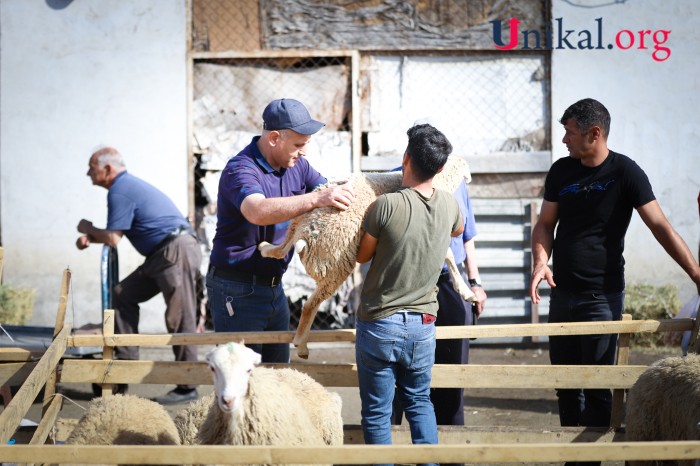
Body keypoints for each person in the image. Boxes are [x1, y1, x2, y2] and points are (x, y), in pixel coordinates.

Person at [529, 98, 700, 466]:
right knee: (565, 385)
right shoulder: (561, 171)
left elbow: (660, 227)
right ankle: (570, 457)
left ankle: (591, 459)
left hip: (602, 296)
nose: (564, 140)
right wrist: (542, 262)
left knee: (598, 385)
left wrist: (697, 275)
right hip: (563, 295)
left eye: (569, 132)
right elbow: (545, 224)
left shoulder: (626, 173)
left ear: (595, 133)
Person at [206, 98, 354, 363]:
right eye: (298, 144)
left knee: (278, 378)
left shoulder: (298, 166)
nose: (304, 151)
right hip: (237, 289)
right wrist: (315, 200)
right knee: (243, 383)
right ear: (274, 138)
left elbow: (327, 193)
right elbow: (256, 211)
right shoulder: (240, 169)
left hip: (274, 287)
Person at [355, 123, 464, 466]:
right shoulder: (450, 206)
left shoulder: (385, 206)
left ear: (405, 159)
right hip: (423, 325)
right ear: (442, 168)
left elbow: (361, 255)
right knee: (420, 403)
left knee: (377, 413)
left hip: (380, 323)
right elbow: (459, 229)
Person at [76, 146, 202, 404]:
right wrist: (92, 236)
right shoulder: (124, 188)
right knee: (123, 294)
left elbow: (112, 238)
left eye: (92, 167)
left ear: (107, 169)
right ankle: (124, 366)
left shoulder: (120, 190)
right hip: (161, 254)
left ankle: (187, 387)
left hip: (174, 251)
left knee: (180, 316)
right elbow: (113, 235)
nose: (88, 173)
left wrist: (88, 228)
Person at [390, 177, 488, 463]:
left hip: (451, 280)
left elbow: (466, 236)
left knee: (452, 377)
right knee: (399, 377)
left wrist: (475, 281)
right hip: (410, 280)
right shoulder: (396, 180)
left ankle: (450, 453)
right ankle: (391, 451)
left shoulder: (458, 183)